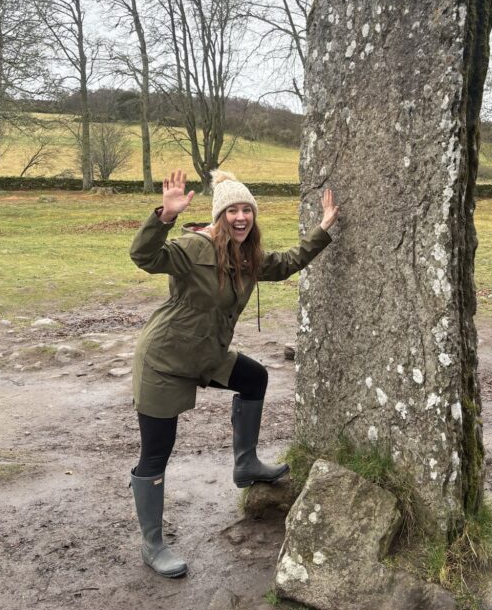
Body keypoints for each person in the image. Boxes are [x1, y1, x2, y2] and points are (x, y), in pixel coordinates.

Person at [128, 168, 339, 578]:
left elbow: (286, 263)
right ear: (219, 215)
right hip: (164, 360)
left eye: (247, 210)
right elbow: (145, 257)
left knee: (253, 377)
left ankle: (246, 465)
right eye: (233, 211)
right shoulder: (193, 247)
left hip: (208, 355)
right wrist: (164, 216)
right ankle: (152, 544)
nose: (241, 218)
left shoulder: (248, 256)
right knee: (156, 452)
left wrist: (323, 229)